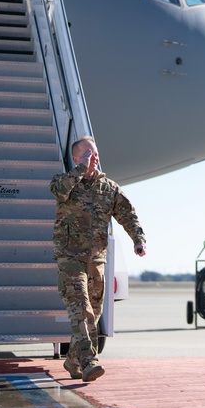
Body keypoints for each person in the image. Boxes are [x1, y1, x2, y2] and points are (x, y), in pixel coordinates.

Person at [51, 136, 146, 382]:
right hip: (70, 259)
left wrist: (138, 239)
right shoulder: (65, 182)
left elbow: (128, 214)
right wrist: (81, 169)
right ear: (75, 158)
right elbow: (58, 191)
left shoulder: (109, 187)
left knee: (94, 312)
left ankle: (73, 361)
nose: (93, 158)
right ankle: (89, 361)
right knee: (81, 310)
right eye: (86, 154)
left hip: (97, 261)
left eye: (95, 154)